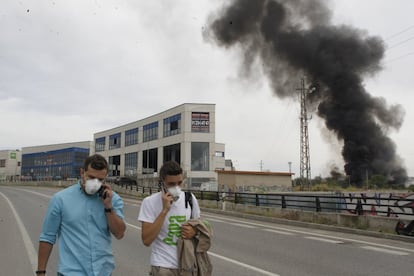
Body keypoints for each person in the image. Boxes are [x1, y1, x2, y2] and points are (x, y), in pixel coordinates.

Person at [37, 154, 126, 276]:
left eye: (100, 180)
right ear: (82, 173)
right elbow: (47, 237)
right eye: (91, 177)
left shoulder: (113, 199)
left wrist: (108, 207)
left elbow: (120, 233)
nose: (95, 183)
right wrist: (41, 272)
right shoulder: (60, 199)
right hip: (71, 272)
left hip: (103, 271)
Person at [138, 160, 201, 276]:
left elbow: (199, 228)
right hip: (163, 265)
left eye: (179, 183)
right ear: (162, 183)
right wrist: (164, 211)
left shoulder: (190, 199)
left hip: (187, 264)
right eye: (171, 184)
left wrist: (194, 231)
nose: (176, 187)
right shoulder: (149, 202)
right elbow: (146, 240)